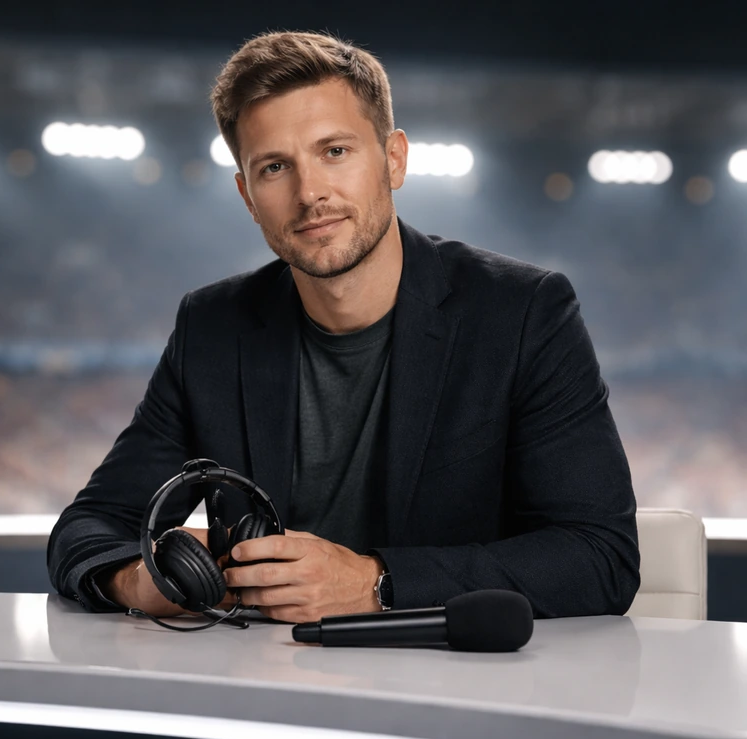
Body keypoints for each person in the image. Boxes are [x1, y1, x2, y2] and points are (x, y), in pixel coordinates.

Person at [47, 31, 640, 624]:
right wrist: (138, 580)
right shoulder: (211, 328)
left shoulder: (524, 312)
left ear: (394, 158)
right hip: (263, 688)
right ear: (248, 196)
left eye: (335, 151)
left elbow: (601, 555)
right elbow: (88, 525)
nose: (311, 194)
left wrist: (376, 584)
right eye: (275, 167)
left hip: (461, 688)